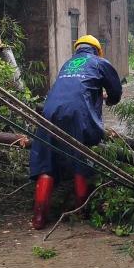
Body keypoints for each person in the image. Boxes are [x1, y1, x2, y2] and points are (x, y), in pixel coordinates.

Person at [28, 35, 122, 230]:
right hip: (77, 114)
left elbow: (74, 89)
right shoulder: (99, 62)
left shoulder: (67, 64)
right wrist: (110, 99)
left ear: (77, 49)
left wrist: (98, 94)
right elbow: (116, 91)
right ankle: (81, 211)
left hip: (49, 112)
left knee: (48, 161)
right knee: (81, 157)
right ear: (97, 50)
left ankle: (38, 218)